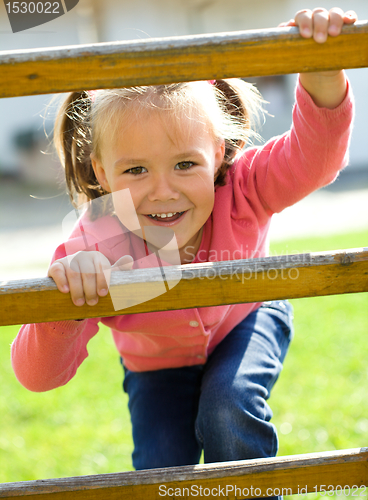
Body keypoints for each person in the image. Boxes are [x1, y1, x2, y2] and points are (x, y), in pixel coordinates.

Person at [12, 6, 356, 483]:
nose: (163, 191)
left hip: (248, 316)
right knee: (161, 472)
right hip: (154, 367)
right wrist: (65, 305)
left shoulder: (243, 186)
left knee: (226, 408)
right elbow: (38, 375)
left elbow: (313, 159)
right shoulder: (95, 244)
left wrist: (323, 70)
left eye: (185, 164)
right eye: (135, 170)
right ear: (101, 171)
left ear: (217, 152)